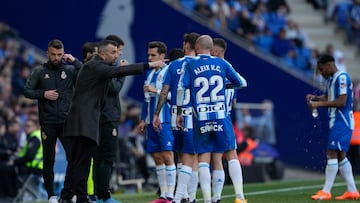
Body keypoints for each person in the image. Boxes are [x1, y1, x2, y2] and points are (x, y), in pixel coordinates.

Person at [57, 39, 166, 203]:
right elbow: (120, 72)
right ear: (102, 54)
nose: (116, 56)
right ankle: (78, 197)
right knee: (81, 161)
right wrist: (150, 65)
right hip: (83, 121)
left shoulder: (94, 66)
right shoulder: (96, 66)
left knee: (81, 160)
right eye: (113, 52)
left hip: (83, 120)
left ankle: (77, 197)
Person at [176, 35, 247, 203]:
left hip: (200, 118)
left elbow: (180, 88)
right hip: (221, 116)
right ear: (210, 48)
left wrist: (179, 111)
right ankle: (240, 196)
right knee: (231, 154)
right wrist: (225, 85)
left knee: (204, 158)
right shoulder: (222, 64)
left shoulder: (190, 64)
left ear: (197, 47)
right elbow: (242, 83)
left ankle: (208, 199)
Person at [23, 39, 82, 203]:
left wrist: (75, 61)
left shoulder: (69, 70)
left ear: (64, 54)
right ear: (47, 54)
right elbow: (27, 91)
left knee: (73, 158)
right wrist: (43, 94)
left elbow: (86, 74)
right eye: (53, 55)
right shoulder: (39, 72)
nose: (56, 58)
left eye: (59, 55)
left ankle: (69, 193)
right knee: (49, 160)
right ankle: (51, 196)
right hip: (48, 123)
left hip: (66, 122)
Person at [153, 32, 200, 203]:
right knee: (192, 156)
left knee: (181, 156)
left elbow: (164, 92)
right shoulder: (202, 65)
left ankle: (185, 195)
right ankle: (188, 196)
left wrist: (156, 114)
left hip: (174, 117)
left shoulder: (173, 66)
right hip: (193, 117)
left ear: (186, 45)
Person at [306, 54, 359, 200]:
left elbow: (341, 101)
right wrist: (315, 98)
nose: (321, 73)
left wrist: (318, 104)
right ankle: (352, 190)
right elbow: (329, 97)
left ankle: (326, 191)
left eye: (322, 70)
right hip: (336, 121)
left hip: (342, 121)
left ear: (329, 65)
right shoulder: (331, 80)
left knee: (331, 151)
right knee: (341, 155)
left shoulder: (342, 77)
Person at [137, 41, 176, 203]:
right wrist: (142, 119)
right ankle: (164, 195)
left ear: (162, 56)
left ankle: (172, 195)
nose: (150, 58)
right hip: (150, 121)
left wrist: (156, 90)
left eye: (153, 55)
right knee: (157, 157)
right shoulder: (150, 74)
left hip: (165, 120)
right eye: (148, 55)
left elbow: (174, 97)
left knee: (168, 156)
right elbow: (146, 100)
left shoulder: (169, 72)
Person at [210, 37, 247, 203]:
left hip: (207, 117)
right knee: (231, 154)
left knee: (214, 158)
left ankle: (215, 197)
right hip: (224, 118)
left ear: (216, 52)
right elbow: (234, 101)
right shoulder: (232, 71)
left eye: (210, 51)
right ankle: (239, 195)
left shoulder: (212, 69)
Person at [95, 34, 128, 203]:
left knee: (100, 158)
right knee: (106, 158)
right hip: (106, 118)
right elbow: (114, 90)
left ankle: (98, 195)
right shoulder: (105, 69)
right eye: (116, 51)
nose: (118, 55)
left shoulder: (101, 67)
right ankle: (104, 196)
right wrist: (122, 72)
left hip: (101, 117)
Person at [0, 118, 42, 198]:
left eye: (29, 126)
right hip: (33, 166)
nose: (26, 128)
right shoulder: (35, 136)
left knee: (5, 168)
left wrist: (14, 162)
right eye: (25, 126)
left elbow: (29, 157)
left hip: (34, 167)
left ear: (35, 127)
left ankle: (11, 195)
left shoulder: (35, 138)